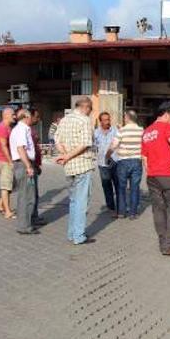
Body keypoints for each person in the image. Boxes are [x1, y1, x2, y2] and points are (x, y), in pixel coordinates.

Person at [142, 102, 170, 256]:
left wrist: (151, 172)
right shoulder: (166, 127)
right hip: (168, 174)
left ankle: (163, 244)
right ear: (167, 113)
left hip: (152, 176)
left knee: (158, 209)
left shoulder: (147, 132)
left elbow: (144, 158)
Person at [55, 98, 96, 245]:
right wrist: (68, 155)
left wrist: (65, 155)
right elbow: (85, 143)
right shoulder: (84, 120)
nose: (90, 113)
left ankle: (72, 233)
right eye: (90, 110)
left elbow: (57, 140)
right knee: (81, 202)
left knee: (73, 201)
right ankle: (79, 235)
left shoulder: (65, 120)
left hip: (69, 167)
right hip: (82, 165)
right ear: (86, 108)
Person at [109, 110, 144, 219]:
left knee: (121, 188)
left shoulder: (122, 131)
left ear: (128, 118)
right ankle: (133, 213)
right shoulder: (142, 130)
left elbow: (114, 145)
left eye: (124, 117)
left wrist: (107, 155)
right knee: (135, 188)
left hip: (123, 162)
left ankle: (121, 212)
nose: (124, 119)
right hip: (137, 162)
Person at [9, 109, 38, 235]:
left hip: (23, 163)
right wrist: (28, 166)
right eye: (31, 116)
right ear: (26, 116)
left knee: (25, 195)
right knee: (26, 196)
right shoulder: (21, 129)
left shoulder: (20, 129)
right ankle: (24, 226)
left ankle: (26, 222)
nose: (32, 118)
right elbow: (20, 148)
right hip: (23, 164)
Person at [94, 112, 119, 217]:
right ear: (100, 121)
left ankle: (121, 208)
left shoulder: (115, 131)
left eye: (108, 119)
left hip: (116, 162)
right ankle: (111, 207)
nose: (107, 122)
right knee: (106, 186)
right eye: (105, 120)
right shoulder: (95, 133)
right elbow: (93, 146)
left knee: (118, 185)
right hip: (103, 164)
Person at [0, 107, 16, 219]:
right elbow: (3, 145)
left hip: (6, 159)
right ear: (6, 115)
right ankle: (7, 211)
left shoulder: (8, 127)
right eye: (13, 114)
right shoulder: (2, 127)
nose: (15, 116)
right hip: (4, 160)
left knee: (11, 184)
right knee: (6, 186)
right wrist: (10, 160)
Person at [30, 108, 46, 226]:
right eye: (37, 116)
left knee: (34, 193)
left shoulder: (31, 129)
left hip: (34, 165)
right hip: (31, 166)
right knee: (31, 194)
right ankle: (32, 217)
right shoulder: (26, 130)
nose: (38, 119)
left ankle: (34, 216)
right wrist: (34, 165)